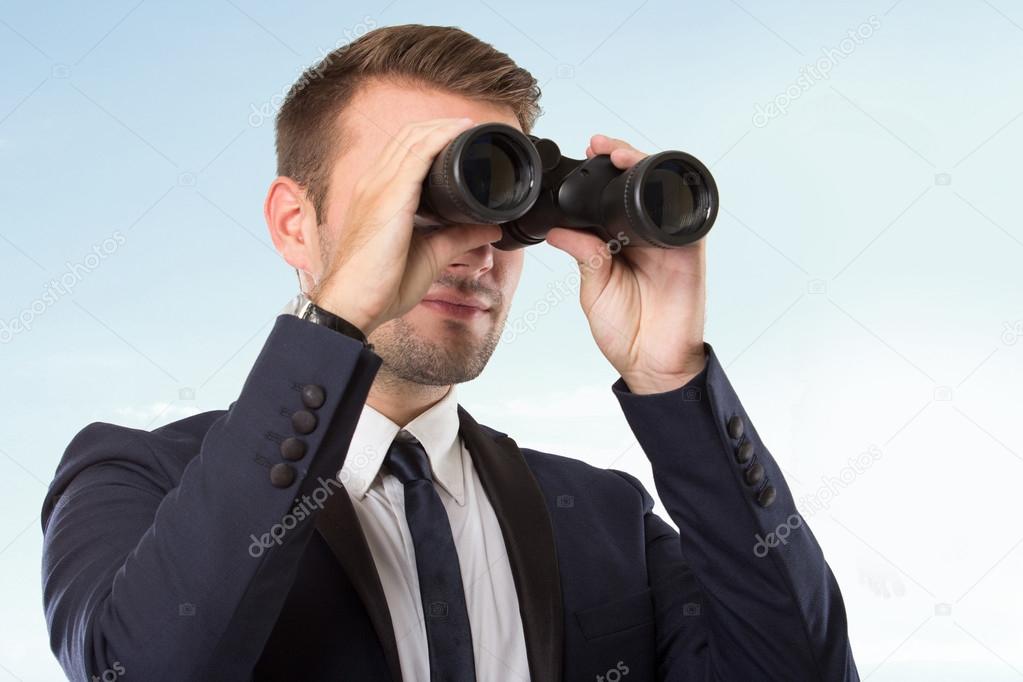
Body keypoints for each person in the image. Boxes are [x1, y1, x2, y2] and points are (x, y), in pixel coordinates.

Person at [40, 24, 859, 682]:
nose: (472, 249)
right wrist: (333, 326)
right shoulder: (136, 479)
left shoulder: (604, 517)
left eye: (503, 202)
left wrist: (671, 382)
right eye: (419, 197)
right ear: (297, 224)